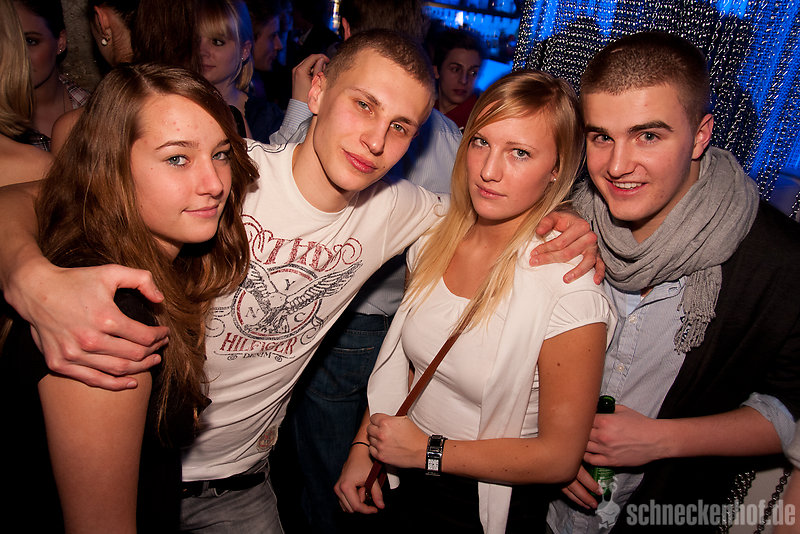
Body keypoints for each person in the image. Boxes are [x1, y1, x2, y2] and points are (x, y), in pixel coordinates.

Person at [0, 30, 598, 533]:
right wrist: (28, 273)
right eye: (363, 105)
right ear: (317, 90)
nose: (375, 141)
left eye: (401, 126)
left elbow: (491, 213)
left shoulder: (400, 210)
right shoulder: (224, 172)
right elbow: (37, 192)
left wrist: (565, 216)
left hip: (240, 485)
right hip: (132, 465)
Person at [334, 69, 614, 534]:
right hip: (403, 473)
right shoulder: (434, 240)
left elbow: (559, 458)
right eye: (481, 142)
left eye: (519, 153)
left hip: (479, 500)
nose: (488, 170)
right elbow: (411, 367)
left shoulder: (569, 287)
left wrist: (428, 452)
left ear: (558, 168)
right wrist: (365, 447)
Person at [546, 32, 800, 533]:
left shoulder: (777, 263)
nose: (617, 166)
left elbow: (789, 409)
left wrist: (661, 441)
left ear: (701, 135)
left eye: (648, 136)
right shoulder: (564, 224)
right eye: (601, 137)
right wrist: (549, 446)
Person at [0, 62, 257, 532]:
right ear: (112, 165)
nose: (215, 183)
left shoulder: (151, 261)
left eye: (220, 154)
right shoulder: (109, 313)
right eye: (177, 158)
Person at [13, 0, 90, 151]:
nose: (19, 56)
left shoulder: (94, 110)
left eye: (30, 41)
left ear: (60, 41)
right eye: (8, 44)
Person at [0, 0, 52, 186]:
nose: (27, 56)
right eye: (22, 42)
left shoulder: (37, 170)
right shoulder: (35, 168)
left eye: (31, 41)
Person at [197, 0, 254, 138]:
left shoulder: (265, 119)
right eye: (195, 41)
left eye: (217, 42)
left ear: (244, 50)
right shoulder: (170, 106)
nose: (202, 51)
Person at [431, 27, 485, 130]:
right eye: (455, 69)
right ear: (436, 71)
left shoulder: (480, 121)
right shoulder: (425, 111)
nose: (464, 80)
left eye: (473, 73)